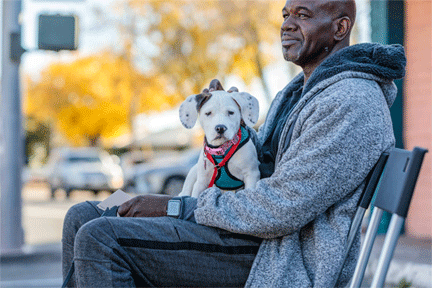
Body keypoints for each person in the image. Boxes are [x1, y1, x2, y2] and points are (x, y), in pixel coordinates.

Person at [62, 0, 406, 287]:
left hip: (280, 259)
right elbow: (268, 165)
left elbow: (283, 207)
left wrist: (178, 207)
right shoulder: (301, 92)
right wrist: (227, 122)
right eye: (285, 15)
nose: (287, 24)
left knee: (101, 237)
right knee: (84, 215)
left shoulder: (350, 101)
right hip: (251, 235)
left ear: (340, 29)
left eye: (302, 15)